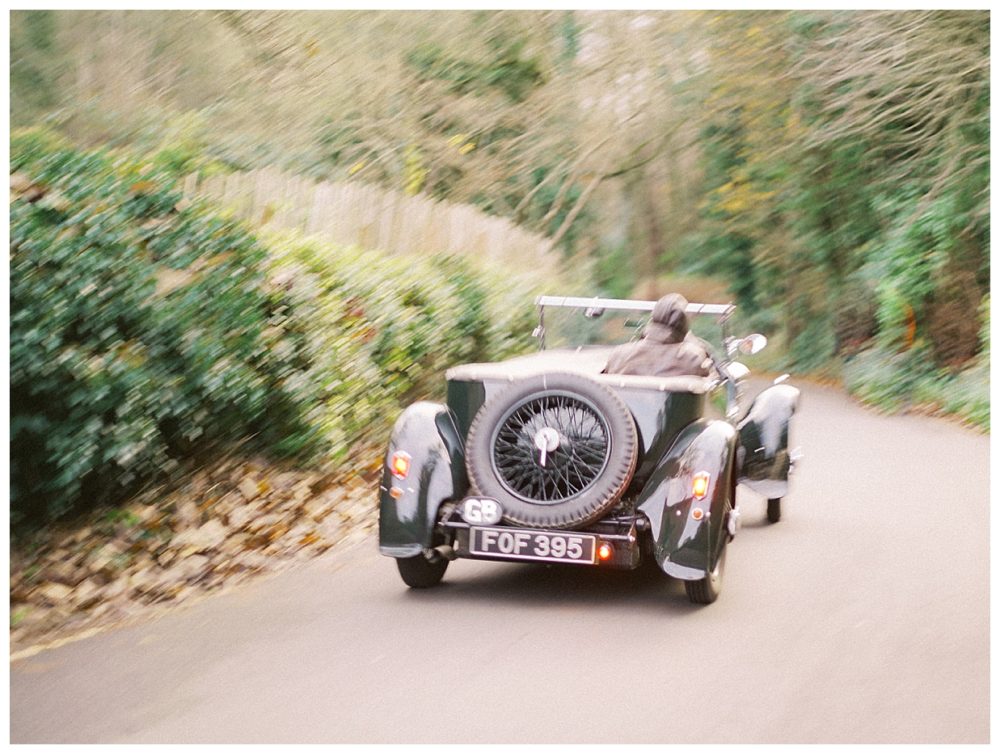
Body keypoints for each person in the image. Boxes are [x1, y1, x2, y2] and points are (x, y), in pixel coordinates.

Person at [603, 293, 713, 378]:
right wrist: (691, 340)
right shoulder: (692, 358)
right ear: (684, 328)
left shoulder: (618, 355)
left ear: (652, 320)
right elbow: (712, 385)